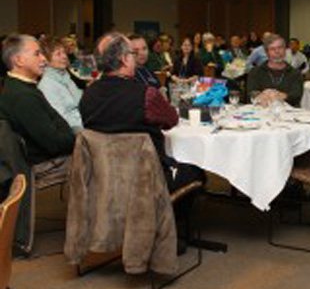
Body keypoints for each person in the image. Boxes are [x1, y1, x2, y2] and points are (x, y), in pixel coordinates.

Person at [80, 32, 203, 192]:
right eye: (133, 53)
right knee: (196, 170)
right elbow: (172, 119)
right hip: (148, 178)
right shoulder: (146, 95)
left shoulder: (87, 96)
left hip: (103, 177)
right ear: (125, 59)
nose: (136, 57)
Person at [0, 34, 75, 165]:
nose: (44, 59)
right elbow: (55, 144)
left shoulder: (21, 86)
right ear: (19, 60)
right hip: (46, 169)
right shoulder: (23, 97)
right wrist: (72, 136)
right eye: (37, 54)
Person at [38, 38, 83, 130]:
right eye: (58, 54)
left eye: (64, 52)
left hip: (84, 120)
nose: (64, 56)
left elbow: (80, 100)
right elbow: (62, 120)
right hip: (76, 130)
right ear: (46, 60)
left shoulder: (64, 76)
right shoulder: (47, 85)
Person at [247, 34, 303, 107]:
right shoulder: (255, 72)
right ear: (267, 53)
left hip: (288, 111)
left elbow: (296, 96)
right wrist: (261, 95)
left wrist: (279, 95)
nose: (277, 51)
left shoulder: (295, 73)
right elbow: (251, 93)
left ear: (285, 50)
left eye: (280, 48)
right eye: (272, 49)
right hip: (261, 110)